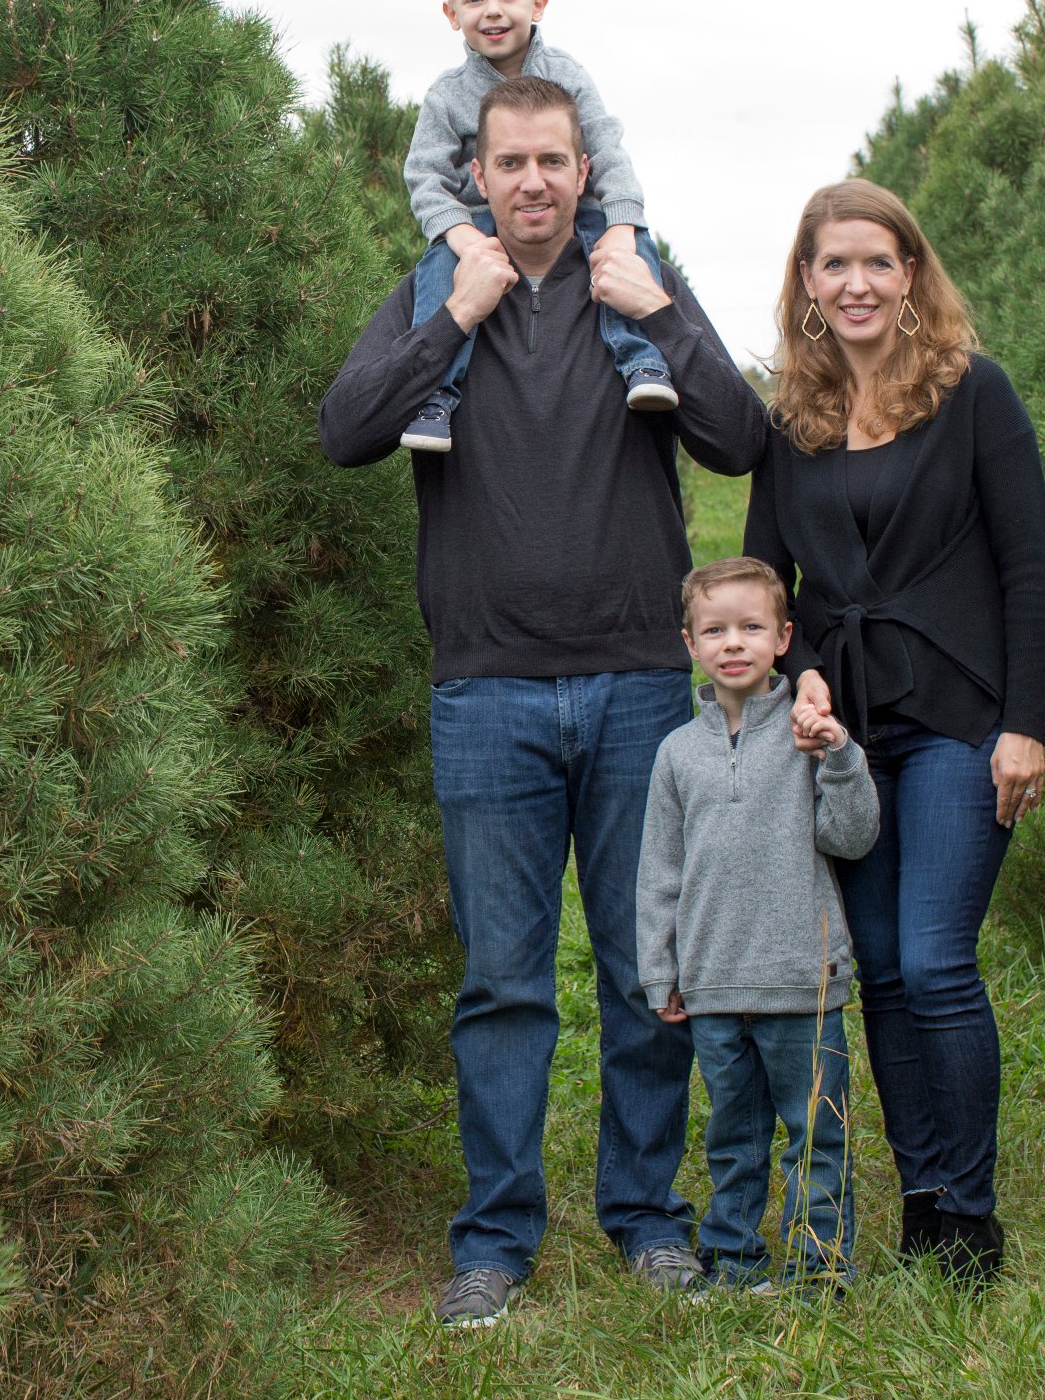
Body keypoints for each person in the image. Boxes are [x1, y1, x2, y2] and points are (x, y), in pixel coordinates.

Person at [320, 73, 768, 1328]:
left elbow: (742, 438)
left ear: (586, 171)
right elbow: (344, 428)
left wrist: (664, 315)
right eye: (507, 163)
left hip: (636, 687)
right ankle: (495, 1236)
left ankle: (646, 1215)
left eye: (552, 162)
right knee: (504, 983)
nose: (530, 183)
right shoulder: (437, 286)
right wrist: (448, 324)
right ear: (477, 177)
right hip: (486, 694)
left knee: (645, 972)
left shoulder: (634, 279)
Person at [743, 178, 1045, 1287]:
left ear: (911, 273)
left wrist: (1026, 724)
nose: (858, 282)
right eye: (835, 264)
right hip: (851, 740)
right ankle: (922, 1199)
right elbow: (772, 586)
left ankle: (972, 1214)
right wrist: (806, 675)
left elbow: (1029, 564)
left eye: (879, 261)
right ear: (809, 285)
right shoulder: (793, 425)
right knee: (877, 969)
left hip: (961, 721)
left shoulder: (975, 394)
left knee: (933, 962)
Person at [638, 557, 879, 1295]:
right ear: (690, 643)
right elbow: (660, 872)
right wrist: (660, 969)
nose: (732, 643)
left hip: (801, 984)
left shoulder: (810, 736)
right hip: (712, 986)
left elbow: (853, 836)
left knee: (816, 1136)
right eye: (715, 630)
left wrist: (838, 756)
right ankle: (734, 1263)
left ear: (783, 639)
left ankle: (819, 1268)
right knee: (732, 1139)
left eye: (750, 627)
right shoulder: (677, 753)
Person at [396, 0, 677, 453]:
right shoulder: (446, 96)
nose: (493, 11)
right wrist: (461, 238)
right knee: (437, 269)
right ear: (451, 13)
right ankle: (435, 396)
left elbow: (608, 151)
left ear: (538, 4)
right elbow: (425, 177)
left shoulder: (567, 75)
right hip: (479, 220)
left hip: (575, 213)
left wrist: (620, 226)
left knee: (635, 249)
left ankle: (643, 361)